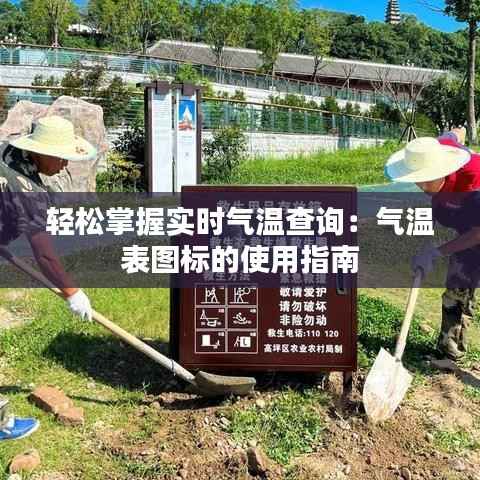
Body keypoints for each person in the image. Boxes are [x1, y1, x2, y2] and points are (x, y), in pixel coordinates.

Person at [0, 115, 96, 440]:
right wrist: (72, 292)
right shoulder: (24, 186)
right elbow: (43, 255)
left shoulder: (8, 153)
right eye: (60, 156)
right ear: (40, 151)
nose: (65, 163)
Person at [385, 128, 480, 361]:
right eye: (417, 179)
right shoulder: (432, 150)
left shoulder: (474, 181)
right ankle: (450, 350)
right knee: (456, 289)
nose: (422, 186)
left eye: (427, 180)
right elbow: (454, 133)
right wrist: (429, 245)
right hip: (466, 225)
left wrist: (436, 252)